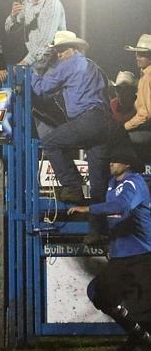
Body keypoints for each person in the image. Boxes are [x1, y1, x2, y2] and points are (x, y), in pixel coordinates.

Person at [31, 31, 111, 244]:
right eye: (57, 51)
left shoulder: (68, 65)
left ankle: (72, 186)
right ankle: (97, 230)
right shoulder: (94, 66)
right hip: (103, 124)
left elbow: (41, 88)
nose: (58, 55)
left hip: (87, 120)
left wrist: (35, 71)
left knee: (50, 142)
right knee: (98, 183)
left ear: (71, 49)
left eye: (60, 50)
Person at [68, 150, 151, 351]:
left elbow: (121, 207)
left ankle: (138, 337)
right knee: (98, 292)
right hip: (122, 254)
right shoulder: (112, 184)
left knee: (143, 305)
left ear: (128, 164)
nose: (111, 163)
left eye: (116, 160)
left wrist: (89, 209)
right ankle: (138, 335)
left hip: (142, 254)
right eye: (110, 160)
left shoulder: (134, 182)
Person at [4, 0, 66, 67]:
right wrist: (13, 16)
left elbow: (46, 40)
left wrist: (26, 61)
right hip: (36, 59)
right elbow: (9, 29)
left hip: (54, 59)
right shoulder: (27, 3)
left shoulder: (52, 3)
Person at [123, 34, 151, 147]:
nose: (137, 57)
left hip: (147, 129)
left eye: (142, 55)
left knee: (115, 138)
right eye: (137, 53)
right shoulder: (145, 75)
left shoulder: (147, 77)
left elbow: (145, 114)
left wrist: (124, 126)